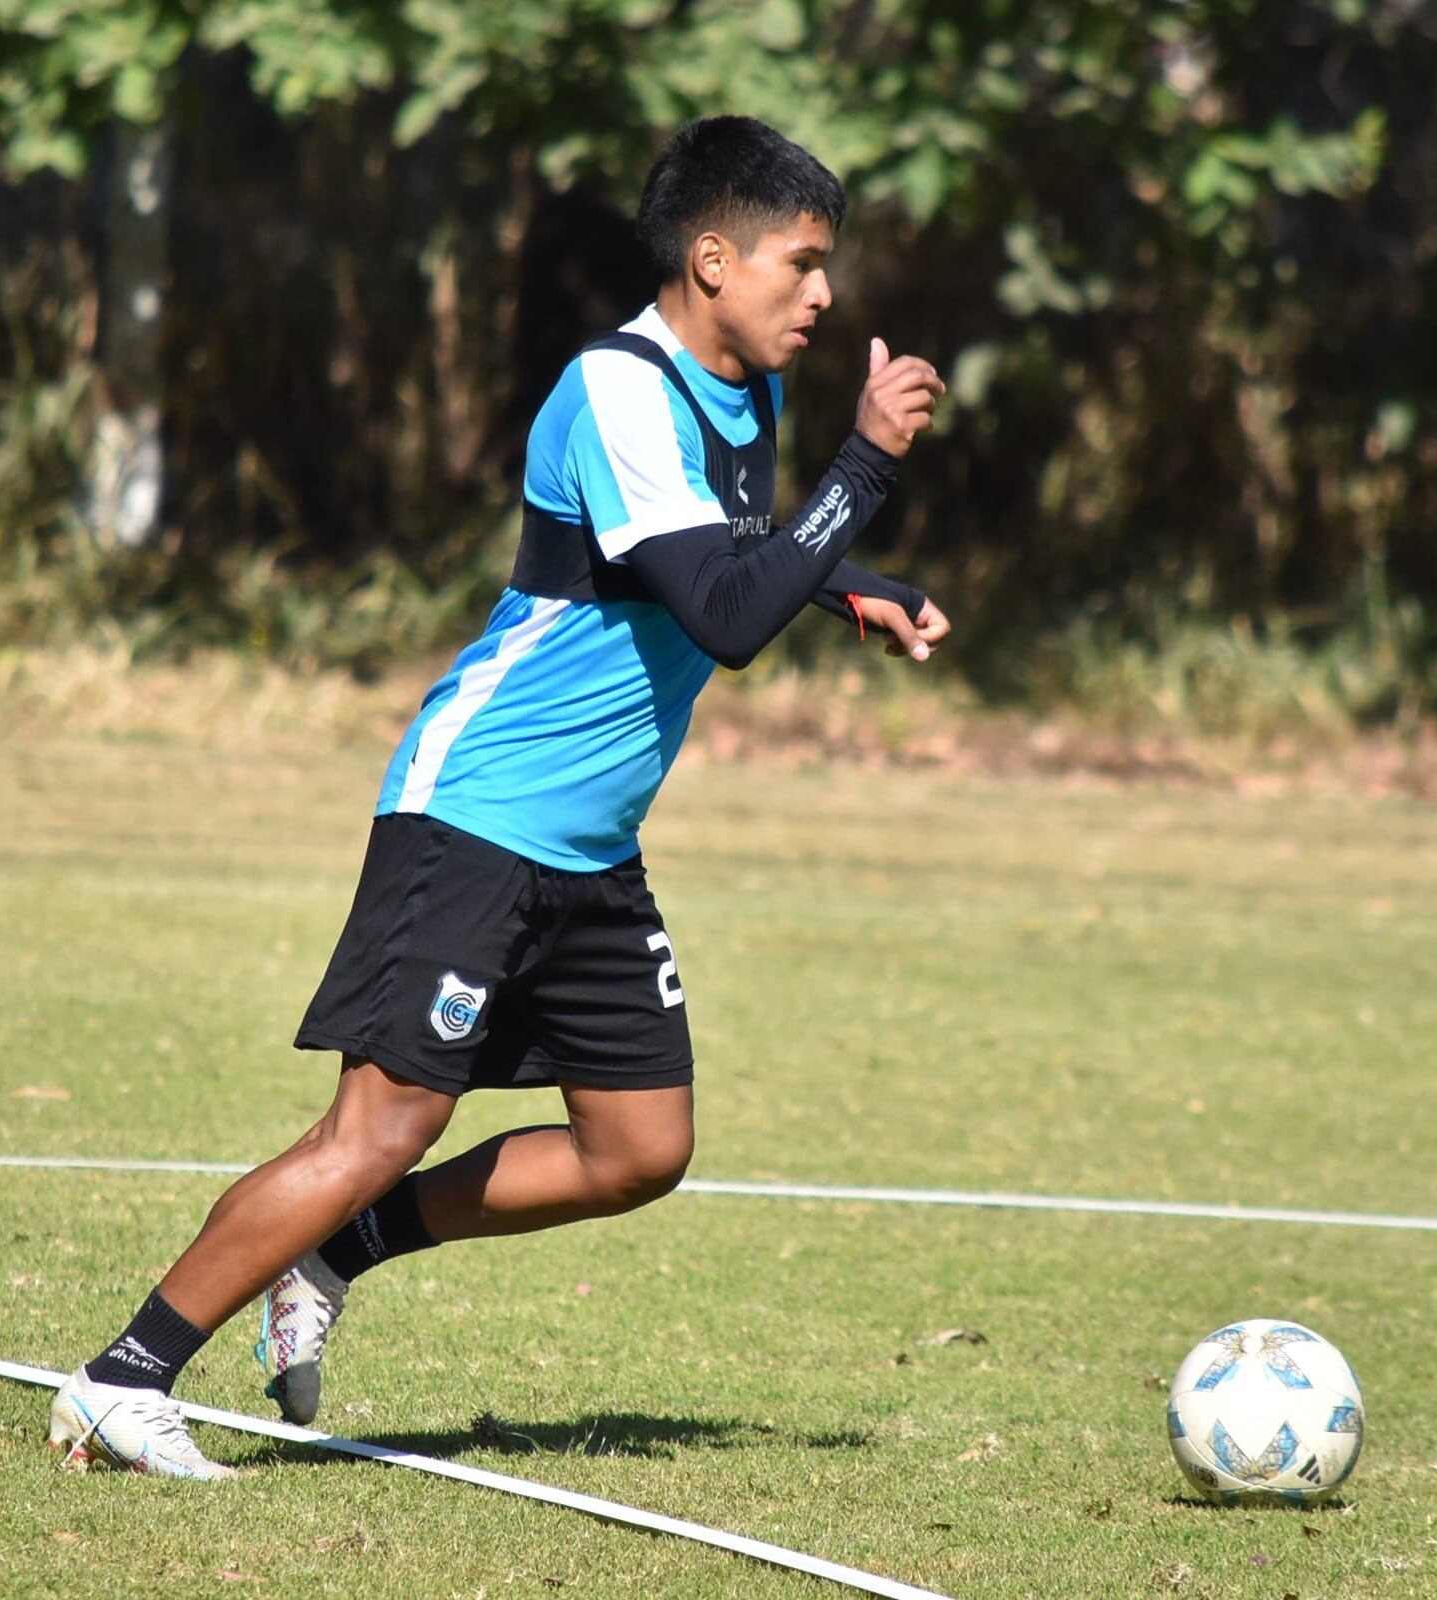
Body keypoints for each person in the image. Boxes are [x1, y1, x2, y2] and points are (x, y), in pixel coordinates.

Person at [48, 114, 948, 1479]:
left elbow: (734, 553)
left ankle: (345, 1250)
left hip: (589, 842)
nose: (823, 295)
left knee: (639, 1146)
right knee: (382, 1127)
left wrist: (850, 584)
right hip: (478, 812)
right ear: (714, 258)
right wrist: (866, 472)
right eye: (801, 262)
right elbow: (716, 613)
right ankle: (126, 1377)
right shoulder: (616, 393)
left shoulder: (746, 394)